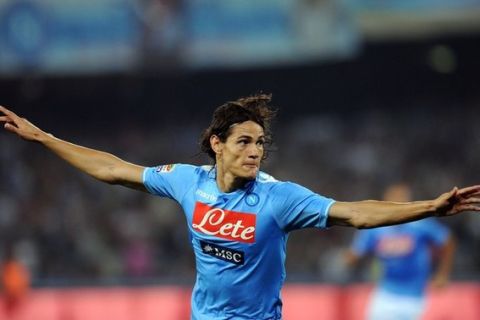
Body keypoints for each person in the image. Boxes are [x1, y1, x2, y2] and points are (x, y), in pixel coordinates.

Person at [1, 94, 479, 320]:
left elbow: (358, 212)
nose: (256, 151)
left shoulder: (279, 199)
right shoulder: (188, 182)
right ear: (217, 144)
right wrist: (44, 137)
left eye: (260, 143)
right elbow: (112, 168)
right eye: (245, 141)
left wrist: (431, 208)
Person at [345, 183, 456, 320]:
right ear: (385, 202)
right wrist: (346, 259)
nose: (398, 202)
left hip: (414, 296)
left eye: (402, 198)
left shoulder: (420, 224)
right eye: (393, 198)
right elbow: (355, 254)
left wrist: (443, 274)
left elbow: (447, 241)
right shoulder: (375, 228)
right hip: (385, 294)